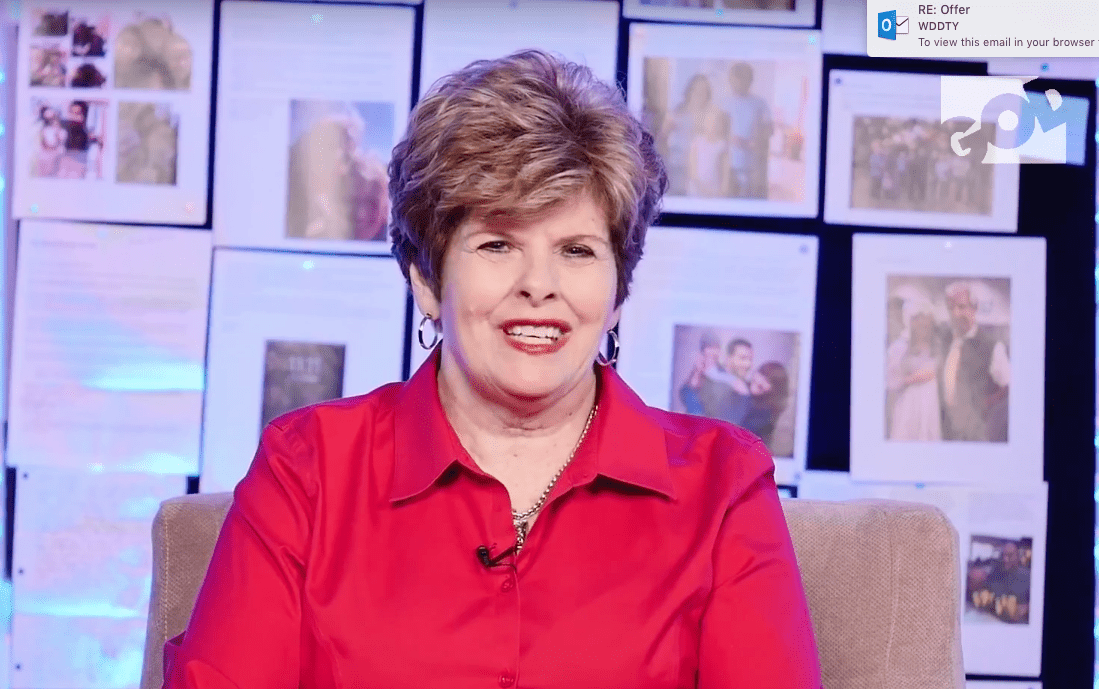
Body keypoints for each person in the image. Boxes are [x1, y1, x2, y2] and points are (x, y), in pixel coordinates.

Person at [161, 50, 820, 688]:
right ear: (426, 278)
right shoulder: (307, 469)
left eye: (577, 250)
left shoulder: (722, 485)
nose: (539, 284)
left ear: (618, 291)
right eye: (498, 244)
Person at [939, 281, 1010, 442]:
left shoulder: (993, 346)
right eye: (951, 308)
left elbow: (1007, 387)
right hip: (946, 433)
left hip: (977, 435)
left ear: (974, 308)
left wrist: (984, 405)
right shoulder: (944, 341)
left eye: (962, 307)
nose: (956, 314)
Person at [886, 300, 943, 441]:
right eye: (918, 319)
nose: (923, 323)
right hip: (908, 406)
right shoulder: (899, 347)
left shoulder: (937, 347)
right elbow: (890, 380)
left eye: (927, 320)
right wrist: (912, 379)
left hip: (930, 406)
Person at [723, 62, 772, 198]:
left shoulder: (760, 104)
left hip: (753, 166)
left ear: (750, 80)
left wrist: (753, 143)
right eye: (734, 79)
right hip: (729, 166)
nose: (737, 83)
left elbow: (768, 131)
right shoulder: (725, 103)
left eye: (743, 78)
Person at [661, 74, 715, 196]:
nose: (700, 94)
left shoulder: (710, 116)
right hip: (677, 165)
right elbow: (662, 137)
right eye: (696, 90)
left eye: (704, 91)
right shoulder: (677, 112)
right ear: (690, 91)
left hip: (700, 170)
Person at [687, 107, 730, 197]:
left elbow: (725, 172)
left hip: (715, 191)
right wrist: (701, 188)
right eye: (710, 121)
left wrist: (722, 191)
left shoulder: (722, 146)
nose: (713, 124)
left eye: (716, 122)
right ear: (704, 122)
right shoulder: (696, 142)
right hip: (696, 190)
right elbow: (692, 170)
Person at [34, 106, 66, 177]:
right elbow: (43, 143)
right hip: (45, 157)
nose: (52, 121)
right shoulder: (44, 130)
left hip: (57, 158)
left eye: (53, 118)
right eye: (48, 119)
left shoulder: (62, 131)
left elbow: (60, 143)